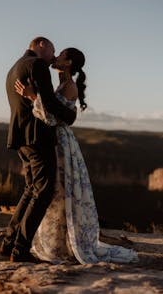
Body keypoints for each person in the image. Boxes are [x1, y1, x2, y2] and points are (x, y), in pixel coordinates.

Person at [15, 47, 138, 264]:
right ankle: (60, 241)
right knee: (58, 193)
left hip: (61, 144)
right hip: (55, 141)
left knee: (62, 191)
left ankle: (67, 243)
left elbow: (51, 118)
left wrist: (32, 96)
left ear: (68, 62)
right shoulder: (62, 85)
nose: (55, 58)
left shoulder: (69, 87)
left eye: (60, 55)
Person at [0, 37, 77, 262]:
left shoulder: (15, 66)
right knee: (42, 192)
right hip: (38, 137)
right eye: (53, 50)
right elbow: (50, 103)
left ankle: (8, 243)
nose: (54, 56)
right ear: (41, 44)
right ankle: (20, 250)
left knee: (31, 189)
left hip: (21, 137)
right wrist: (70, 116)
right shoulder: (37, 65)